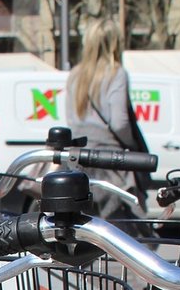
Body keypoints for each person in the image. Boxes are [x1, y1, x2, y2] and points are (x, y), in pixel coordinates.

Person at [63, 19, 148, 215]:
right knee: (119, 227)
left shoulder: (75, 75)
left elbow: (71, 119)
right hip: (110, 162)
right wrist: (129, 147)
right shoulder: (116, 73)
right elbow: (119, 123)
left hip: (78, 159)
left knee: (84, 226)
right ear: (114, 43)